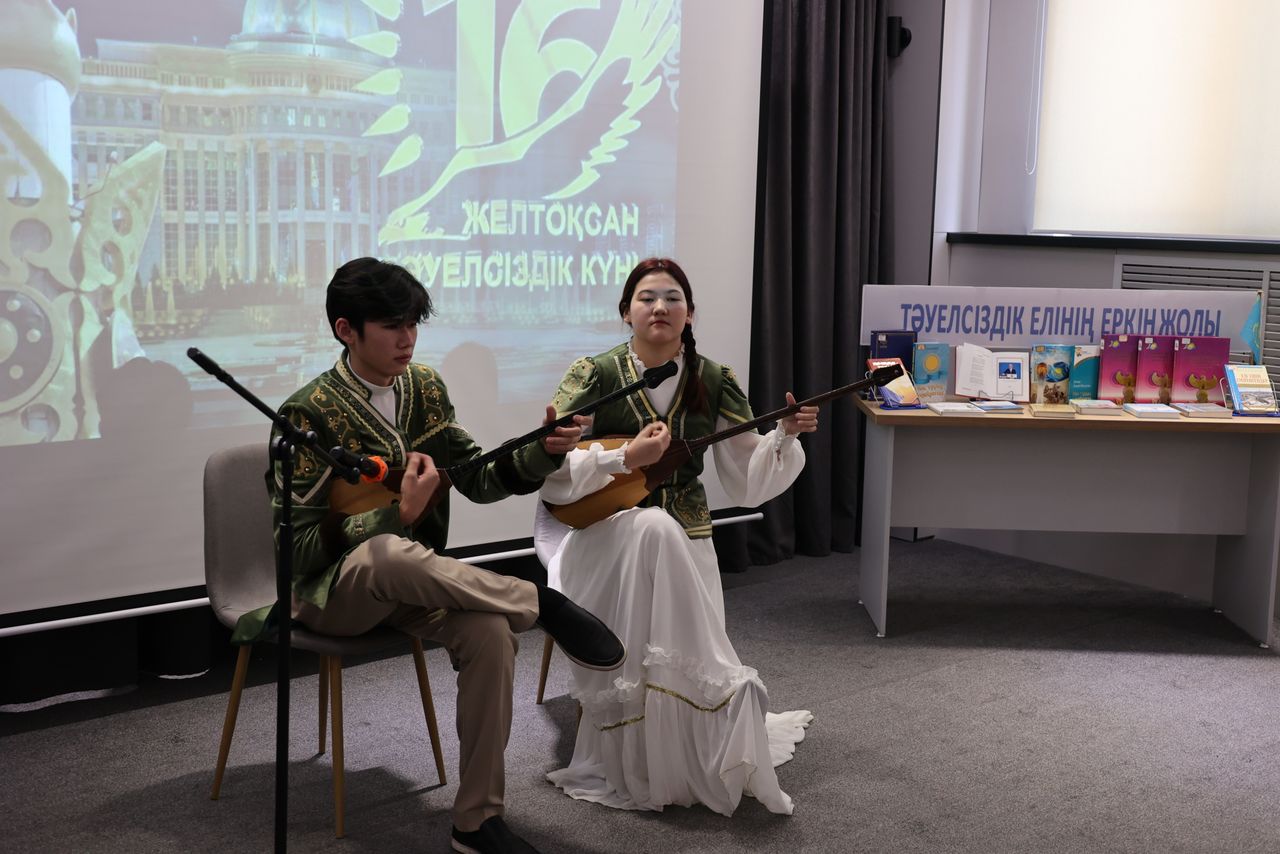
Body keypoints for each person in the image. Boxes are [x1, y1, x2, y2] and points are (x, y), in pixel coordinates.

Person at [235, 257, 625, 854]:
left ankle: (476, 821)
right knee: (385, 551)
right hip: (328, 594)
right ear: (346, 330)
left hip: (414, 582)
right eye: (392, 325)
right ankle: (539, 600)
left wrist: (544, 451)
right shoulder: (306, 413)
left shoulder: (424, 388)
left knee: (491, 634)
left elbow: (478, 477)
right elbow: (297, 550)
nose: (407, 338)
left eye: (413, 323)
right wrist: (396, 514)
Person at [536, 257, 819, 817]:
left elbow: (747, 475)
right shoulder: (594, 374)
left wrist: (783, 435)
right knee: (651, 524)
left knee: (664, 528)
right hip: (603, 534)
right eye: (647, 298)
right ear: (626, 312)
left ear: (690, 314)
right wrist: (623, 456)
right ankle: (660, 735)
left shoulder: (713, 379)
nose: (660, 307)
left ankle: (691, 747)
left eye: (672, 298)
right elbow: (551, 466)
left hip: (688, 537)